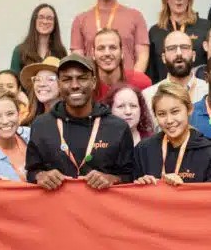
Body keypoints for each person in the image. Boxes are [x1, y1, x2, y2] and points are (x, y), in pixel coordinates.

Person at [25, 54, 134, 190]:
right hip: (58, 209)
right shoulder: (41, 125)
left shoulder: (117, 127)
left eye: (82, 78)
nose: (75, 85)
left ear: (93, 82)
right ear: (59, 84)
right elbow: (31, 172)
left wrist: (111, 179)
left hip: (101, 209)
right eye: (67, 79)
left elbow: (130, 176)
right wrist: (41, 176)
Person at [133, 82, 211, 184]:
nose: (169, 120)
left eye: (175, 111)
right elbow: (131, 195)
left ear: (189, 109)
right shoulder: (143, 150)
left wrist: (182, 189)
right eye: (161, 114)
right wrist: (140, 185)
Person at [70, 0, 149, 75]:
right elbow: (77, 60)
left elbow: (142, 56)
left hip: (126, 87)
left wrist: (132, 84)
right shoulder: (80, 20)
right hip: (93, 88)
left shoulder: (135, 16)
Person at [147, 0, 211, 82]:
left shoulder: (205, 27)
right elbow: (152, 70)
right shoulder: (155, 31)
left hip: (198, 89)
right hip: (166, 91)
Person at [143, 30, 210, 114]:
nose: (179, 53)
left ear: (193, 55)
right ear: (163, 58)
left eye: (184, 47)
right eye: (172, 48)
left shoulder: (209, 91)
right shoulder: (149, 96)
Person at [92, 28, 153, 99]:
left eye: (113, 48)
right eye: (101, 48)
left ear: (122, 52)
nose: (107, 53)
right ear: (93, 54)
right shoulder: (87, 87)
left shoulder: (141, 82)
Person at [9, 3, 68, 74]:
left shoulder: (61, 52)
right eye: (41, 17)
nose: (45, 21)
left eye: (49, 18)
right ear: (34, 20)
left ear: (55, 23)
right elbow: (13, 79)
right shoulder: (20, 50)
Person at [19, 56, 62, 125]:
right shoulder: (30, 119)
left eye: (50, 79)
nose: (42, 84)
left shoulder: (69, 119)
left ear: (62, 84)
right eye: (38, 79)